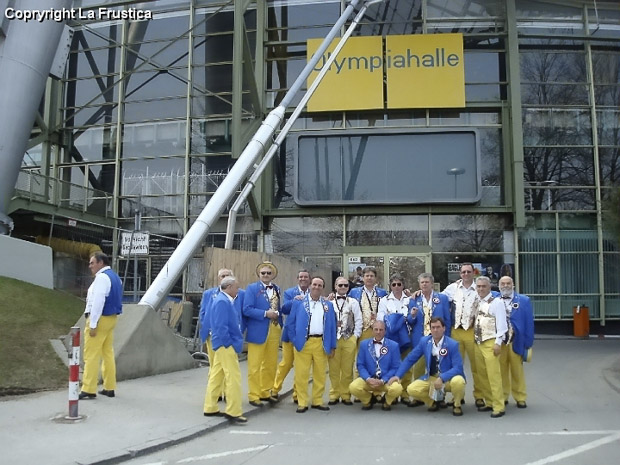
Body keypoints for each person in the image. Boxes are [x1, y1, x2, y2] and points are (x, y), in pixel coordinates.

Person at [389, 317, 466, 416]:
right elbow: (410, 359)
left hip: (449, 379)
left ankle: (457, 404)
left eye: (438, 327)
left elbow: (458, 368)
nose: (435, 330)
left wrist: (442, 378)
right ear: (430, 329)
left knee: (458, 381)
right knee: (411, 389)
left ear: (444, 328)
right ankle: (433, 402)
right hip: (432, 378)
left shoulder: (452, 344)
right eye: (433, 327)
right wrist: (398, 375)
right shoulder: (424, 341)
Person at [288, 276, 337, 413]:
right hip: (304, 342)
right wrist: (294, 339)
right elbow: (290, 323)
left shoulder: (328, 305)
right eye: (314, 284)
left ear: (323, 288)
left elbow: (332, 326)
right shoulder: (299, 302)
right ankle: (302, 402)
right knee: (301, 374)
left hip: (321, 342)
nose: (316, 287)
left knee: (320, 374)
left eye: (320, 285)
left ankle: (317, 400)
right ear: (310, 286)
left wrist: (332, 345)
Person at [203, 277, 247, 423]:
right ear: (229, 287)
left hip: (221, 344)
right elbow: (221, 326)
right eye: (236, 287)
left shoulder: (221, 299)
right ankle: (233, 411)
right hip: (225, 344)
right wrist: (229, 343)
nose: (238, 290)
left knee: (217, 375)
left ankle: (210, 407)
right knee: (233, 376)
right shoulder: (223, 301)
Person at [79, 252, 123, 399]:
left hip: (100, 319)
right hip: (111, 318)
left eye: (92, 263)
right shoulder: (115, 277)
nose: (90, 266)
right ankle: (109, 386)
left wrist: (93, 324)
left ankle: (88, 388)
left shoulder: (101, 278)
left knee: (91, 355)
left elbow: (98, 301)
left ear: (100, 263)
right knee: (107, 353)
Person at [442, 262, 484, 407]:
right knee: (455, 365)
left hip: (473, 331)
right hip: (456, 331)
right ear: (460, 274)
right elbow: (438, 299)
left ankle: (479, 395)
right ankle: (458, 396)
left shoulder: (479, 288)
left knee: (477, 366)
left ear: (474, 273)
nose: (466, 274)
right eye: (463, 272)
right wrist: (415, 294)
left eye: (468, 271)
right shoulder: (452, 288)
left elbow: (493, 296)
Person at [242, 261, 282, 407]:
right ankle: (253, 395)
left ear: (273, 275)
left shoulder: (277, 288)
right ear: (259, 274)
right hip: (258, 329)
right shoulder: (252, 288)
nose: (265, 275)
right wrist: (265, 313)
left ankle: (265, 391)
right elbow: (247, 309)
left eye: (268, 273)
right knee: (255, 365)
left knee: (271, 364)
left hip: (274, 328)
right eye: (263, 273)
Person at [272, 269, 311, 402]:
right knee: (286, 363)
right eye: (301, 277)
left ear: (309, 279)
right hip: (290, 334)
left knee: (301, 367)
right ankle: (275, 389)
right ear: (297, 279)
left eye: (305, 277)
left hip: (306, 335)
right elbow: (284, 309)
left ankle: (297, 394)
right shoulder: (290, 292)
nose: (303, 279)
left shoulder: (313, 292)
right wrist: (294, 300)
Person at [377, 274, 415, 404]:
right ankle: (391, 392)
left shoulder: (410, 299)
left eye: (399, 284)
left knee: (407, 365)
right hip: (390, 337)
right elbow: (381, 318)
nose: (397, 287)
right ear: (390, 286)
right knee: (390, 365)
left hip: (406, 337)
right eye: (394, 284)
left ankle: (404, 394)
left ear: (403, 285)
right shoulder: (384, 300)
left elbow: (413, 317)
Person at [473, 276, 508, 418]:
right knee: (482, 374)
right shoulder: (477, 301)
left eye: (484, 286)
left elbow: (502, 324)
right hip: (478, 342)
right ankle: (489, 402)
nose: (481, 289)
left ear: (489, 287)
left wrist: (498, 342)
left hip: (491, 342)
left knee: (494, 375)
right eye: (478, 286)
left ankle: (499, 406)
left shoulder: (497, 302)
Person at [349, 320, 403, 411]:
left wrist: (383, 380)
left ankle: (387, 401)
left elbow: (395, 367)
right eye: (376, 329)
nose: (378, 332)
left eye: (381, 330)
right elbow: (360, 365)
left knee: (397, 388)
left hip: (386, 380)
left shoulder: (394, 346)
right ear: (372, 331)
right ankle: (369, 400)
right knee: (353, 387)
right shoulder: (364, 344)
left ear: (385, 331)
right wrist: (368, 378)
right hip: (369, 380)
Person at [497, 276, 534, 408]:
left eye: (508, 283)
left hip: (516, 340)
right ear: (499, 285)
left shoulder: (524, 300)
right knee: (501, 370)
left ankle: (520, 397)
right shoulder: (494, 300)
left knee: (517, 370)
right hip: (500, 341)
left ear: (513, 285)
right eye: (503, 283)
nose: (505, 286)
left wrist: (528, 343)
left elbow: (529, 322)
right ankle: (503, 396)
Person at [409, 273, 451, 385]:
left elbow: (447, 320)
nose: (424, 284)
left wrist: (447, 339)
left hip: (438, 339)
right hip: (420, 339)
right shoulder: (414, 299)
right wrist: (412, 315)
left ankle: (438, 394)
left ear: (432, 284)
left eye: (427, 282)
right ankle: (418, 393)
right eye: (422, 282)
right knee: (418, 369)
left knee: (438, 369)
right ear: (419, 284)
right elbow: (410, 321)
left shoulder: (442, 298)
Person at [327, 276, 362, 405]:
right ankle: (334, 394)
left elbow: (358, 320)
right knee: (333, 368)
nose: (343, 287)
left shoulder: (353, 302)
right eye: (340, 285)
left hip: (349, 338)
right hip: (334, 339)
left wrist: (355, 336)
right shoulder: (329, 302)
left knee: (347, 369)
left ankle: (346, 394)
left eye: (345, 285)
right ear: (335, 286)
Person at [348, 267, 387, 343]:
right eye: (367, 276)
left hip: (378, 330)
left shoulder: (382, 293)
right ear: (363, 278)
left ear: (375, 278)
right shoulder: (354, 292)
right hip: (361, 330)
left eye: (372, 276)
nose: (369, 278)